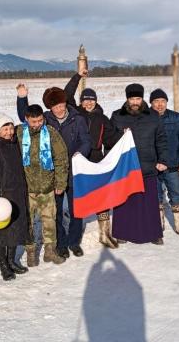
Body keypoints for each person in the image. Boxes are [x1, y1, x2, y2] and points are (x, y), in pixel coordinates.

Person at [17, 85, 91, 258]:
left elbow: (86, 140)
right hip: (53, 173)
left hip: (74, 170)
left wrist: (81, 152)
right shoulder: (46, 119)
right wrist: (22, 98)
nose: (59, 108)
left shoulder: (77, 119)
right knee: (56, 210)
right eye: (55, 106)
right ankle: (62, 243)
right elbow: (25, 117)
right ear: (50, 108)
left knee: (76, 209)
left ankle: (74, 241)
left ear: (65, 102)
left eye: (61, 104)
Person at [63, 70, 121, 248]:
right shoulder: (75, 113)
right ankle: (74, 236)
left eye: (91, 99)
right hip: (78, 159)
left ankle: (105, 233)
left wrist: (124, 136)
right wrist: (78, 76)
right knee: (78, 197)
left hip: (96, 159)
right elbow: (66, 94)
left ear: (96, 101)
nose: (88, 103)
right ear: (81, 102)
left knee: (101, 195)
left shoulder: (102, 118)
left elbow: (110, 138)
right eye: (85, 99)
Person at [109, 83, 168, 245]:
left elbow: (161, 139)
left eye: (138, 98)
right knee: (124, 202)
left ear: (142, 99)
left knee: (149, 202)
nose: (135, 102)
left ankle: (153, 233)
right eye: (132, 98)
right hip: (125, 167)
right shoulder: (117, 116)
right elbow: (109, 140)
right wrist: (120, 136)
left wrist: (163, 160)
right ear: (127, 99)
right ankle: (122, 232)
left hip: (148, 165)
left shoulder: (153, 116)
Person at [14, 103, 68, 266]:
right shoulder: (18, 133)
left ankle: (50, 252)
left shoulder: (51, 133)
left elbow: (61, 158)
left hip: (47, 187)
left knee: (49, 222)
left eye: (40, 121)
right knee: (28, 222)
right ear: (26, 119)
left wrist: (60, 182)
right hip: (27, 188)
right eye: (33, 121)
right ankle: (31, 252)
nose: (37, 124)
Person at [0, 113, 30, 280]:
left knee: (15, 229)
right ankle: (3, 265)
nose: (9, 132)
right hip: (1, 196)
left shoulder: (14, 143)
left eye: (11, 128)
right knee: (2, 232)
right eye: (5, 129)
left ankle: (11, 260)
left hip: (17, 193)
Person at [149, 88, 179, 238]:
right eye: (156, 101)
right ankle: (157, 226)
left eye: (163, 101)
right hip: (152, 167)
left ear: (167, 102)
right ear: (151, 103)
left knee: (177, 195)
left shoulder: (178, 118)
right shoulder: (145, 118)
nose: (160, 105)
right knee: (155, 196)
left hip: (173, 165)